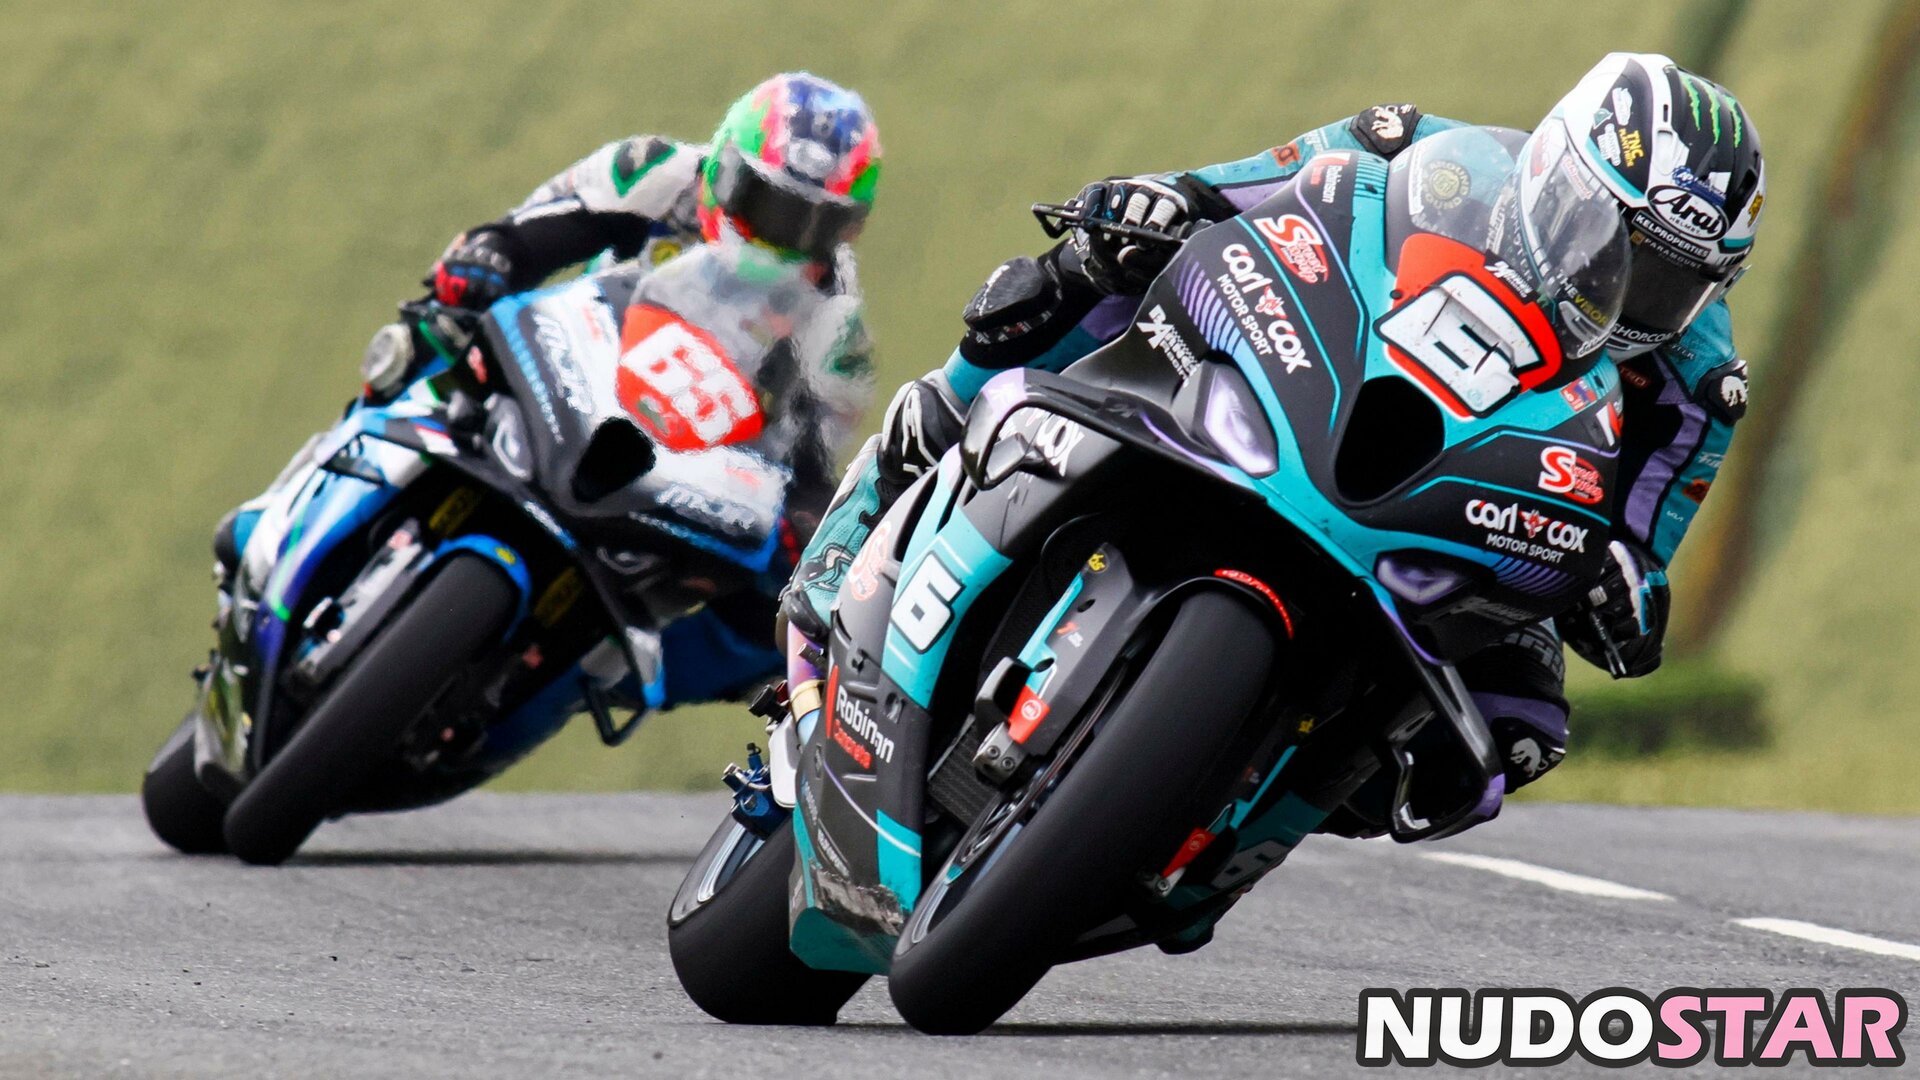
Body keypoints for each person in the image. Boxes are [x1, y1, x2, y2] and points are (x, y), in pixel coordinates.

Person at [784, 53, 1764, 826]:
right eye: (1609, 238)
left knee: (1517, 729)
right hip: (1319, 388)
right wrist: (1149, 209)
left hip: (1472, 519)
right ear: (1555, 173)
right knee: (1069, 285)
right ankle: (869, 526)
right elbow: (1241, 192)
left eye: (1668, 282)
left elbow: (1644, 568)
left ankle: (1237, 805)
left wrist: (1621, 591)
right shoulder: (1433, 153)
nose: (1619, 287)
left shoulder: (1698, 384)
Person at [223, 71, 883, 712]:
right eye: (769, 205)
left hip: (675, 468)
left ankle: (616, 677)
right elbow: (529, 230)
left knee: (788, 604)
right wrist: (486, 259)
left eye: (812, 224)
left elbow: (812, 467)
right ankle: (292, 503)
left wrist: (803, 524)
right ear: (725, 169)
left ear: (845, 230)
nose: (782, 236)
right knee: (433, 329)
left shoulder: (835, 323)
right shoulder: (654, 170)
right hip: (565, 362)